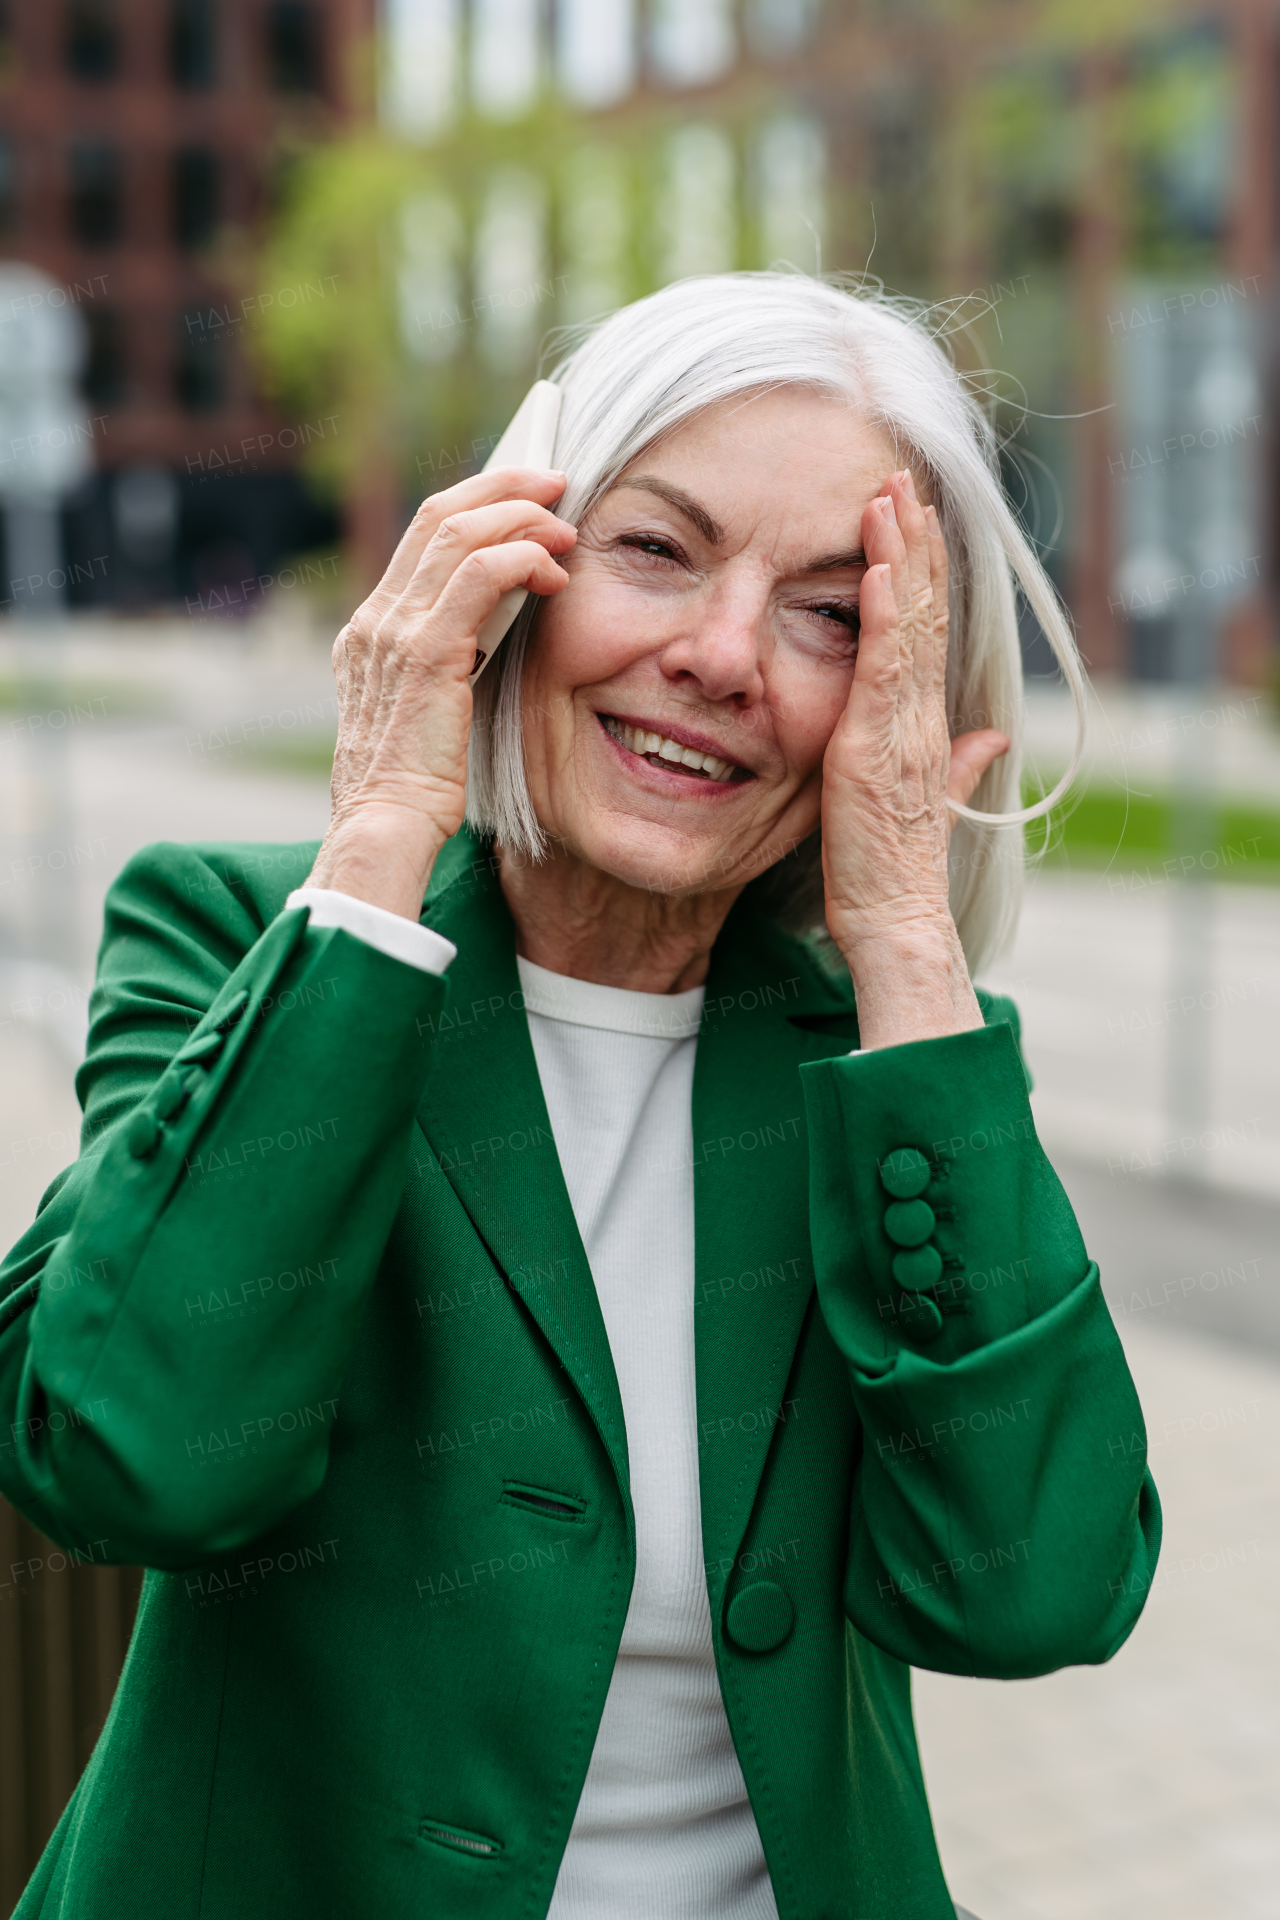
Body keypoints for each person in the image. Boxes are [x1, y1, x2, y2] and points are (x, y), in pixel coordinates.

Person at [0, 273, 1160, 1920]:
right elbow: (137, 1462)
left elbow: (1034, 1592)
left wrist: (906, 928)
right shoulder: (245, 935)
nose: (722, 657)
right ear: (507, 567)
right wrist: (384, 826)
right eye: (657, 550)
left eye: (832, 614)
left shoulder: (885, 1069)